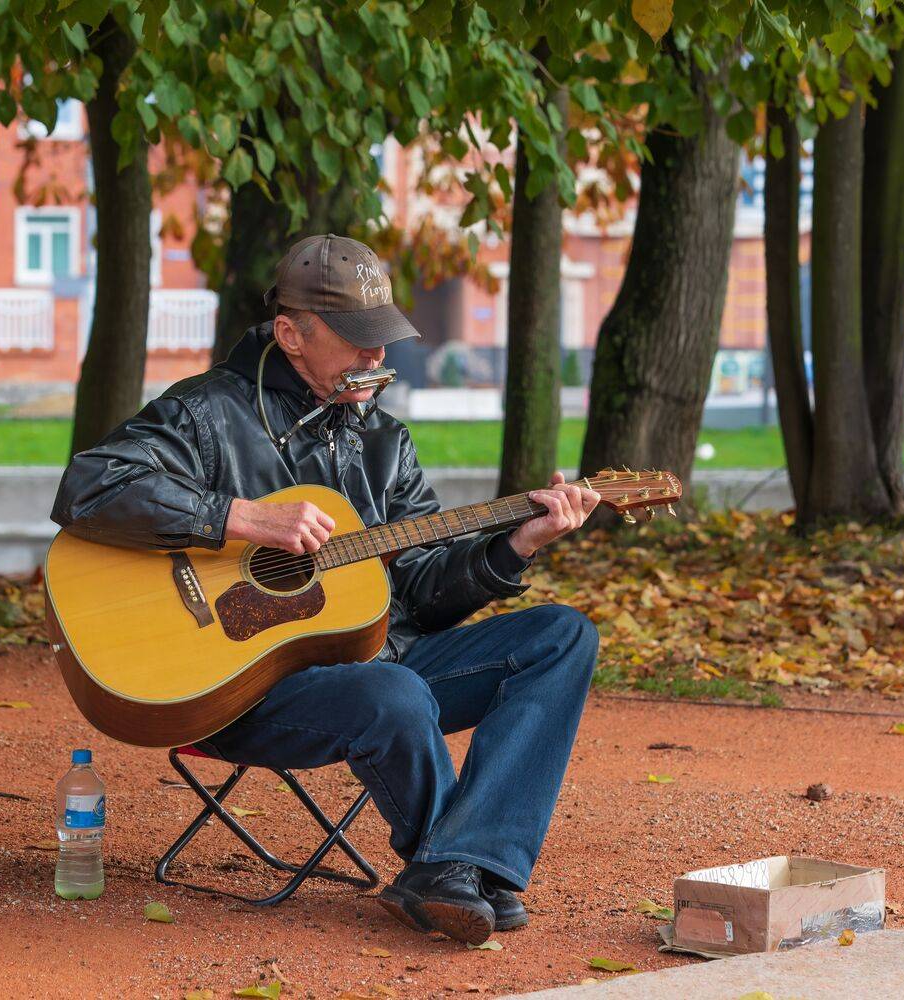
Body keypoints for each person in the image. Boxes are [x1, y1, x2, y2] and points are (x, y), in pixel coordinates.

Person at [50, 234, 600, 945]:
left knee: (561, 637)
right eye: (357, 340)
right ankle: (454, 870)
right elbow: (89, 486)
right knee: (391, 694)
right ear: (291, 335)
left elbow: (425, 594)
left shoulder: (384, 444)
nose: (377, 357)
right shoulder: (207, 415)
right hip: (242, 686)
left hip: (379, 665)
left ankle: (458, 866)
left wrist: (516, 544)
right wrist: (239, 517)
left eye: (383, 340)